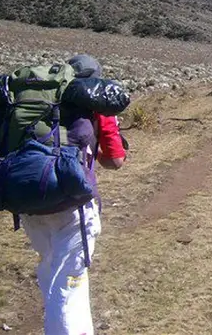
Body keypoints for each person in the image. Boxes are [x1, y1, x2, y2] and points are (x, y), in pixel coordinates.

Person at [21, 54, 127, 335]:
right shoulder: (96, 103)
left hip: (31, 199)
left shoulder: (43, 100)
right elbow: (115, 160)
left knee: (51, 272)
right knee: (69, 285)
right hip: (72, 205)